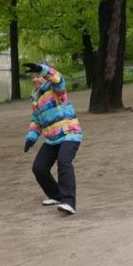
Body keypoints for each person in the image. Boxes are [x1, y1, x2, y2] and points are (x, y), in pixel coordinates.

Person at [23, 62, 82, 215]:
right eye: (33, 77)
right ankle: (56, 195)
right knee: (39, 168)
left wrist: (42, 69)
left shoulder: (56, 88)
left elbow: (57, 78)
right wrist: (31, 137)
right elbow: (36, 119)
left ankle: (69, 202)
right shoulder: (35, 96)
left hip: (69, 133)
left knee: (64, 162)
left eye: (38, 76)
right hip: (52, 138)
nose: (35, 79)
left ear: (44, 75)